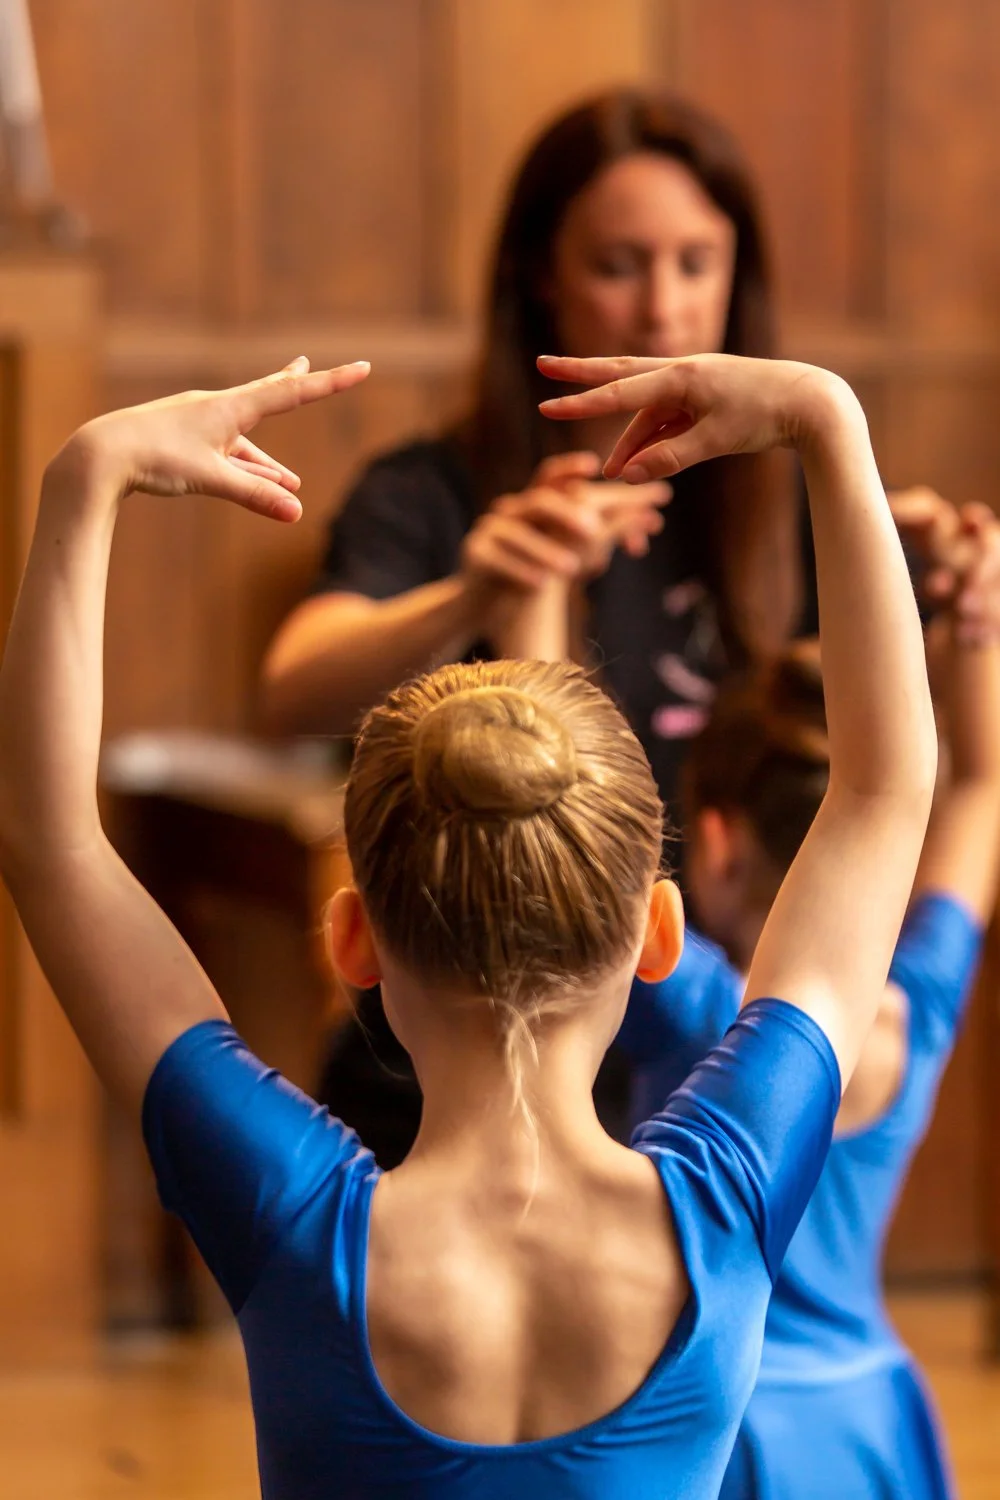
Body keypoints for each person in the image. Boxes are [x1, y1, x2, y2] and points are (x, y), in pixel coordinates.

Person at [0, 348, 935, 1497]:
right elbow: (884, 795)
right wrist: (826, 421)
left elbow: (51, 844)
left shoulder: (294, 1220)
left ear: (353, 944)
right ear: (654, 935)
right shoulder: (726, 1197)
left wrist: (85, 478)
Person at [262, 91, 807, 1159]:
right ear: (539, 274)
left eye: (697, 263)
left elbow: (856, 767)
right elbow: (292, 687)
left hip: (696, 1057)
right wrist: (470, 591)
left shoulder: (775, 509)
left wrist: (925, 590)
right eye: (619, 265)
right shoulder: (429, 489)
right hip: (441, 1071)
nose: (662, 309)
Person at [617, 499, 1000, 1497]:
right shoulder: (916, 1005)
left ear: (716, 844)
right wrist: (975, 632)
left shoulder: (706, 1013)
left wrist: (534, 600)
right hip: (870, 1407)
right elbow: (979, 790)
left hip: (727, 1422)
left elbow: (579, 852)